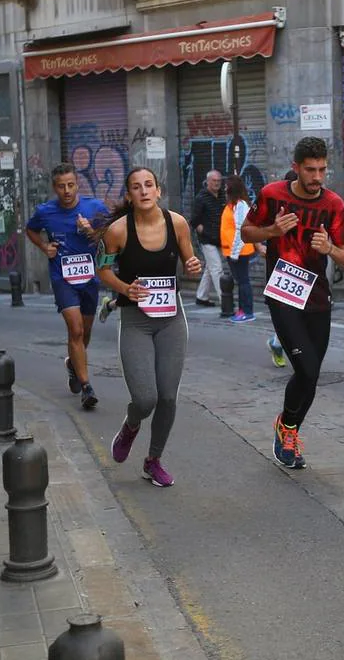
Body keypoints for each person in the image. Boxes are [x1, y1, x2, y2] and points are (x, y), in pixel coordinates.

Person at [242, 137, 344, 469]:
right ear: (296, 168)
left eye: (322, 169)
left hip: (318, 296)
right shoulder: (272, 195)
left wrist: (330, 250)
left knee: (312, 374)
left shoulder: (333, 205)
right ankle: (288, 428)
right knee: (305, 369)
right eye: (310, 170)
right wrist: (272, 230)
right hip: (283, 293)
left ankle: (288, 428)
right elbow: (246, 232)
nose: (317, 176)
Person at [98, 168, 202, 488]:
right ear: (129, 195)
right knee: (145, 399)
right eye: (136, 187)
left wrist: (193, 266)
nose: (143, 191)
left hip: (171, 319)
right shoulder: (117, 231)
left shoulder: (178, 224)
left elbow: (190, 263)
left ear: (158, 191)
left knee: (168, 398)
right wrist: (123, 289)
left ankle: (153, 461)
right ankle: (131, 426)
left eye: (149, 185)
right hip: (135, 321)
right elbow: (102, 270)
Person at [25, 163, 111, 410]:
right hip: (62, 278)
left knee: (85, 332)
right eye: (61, 186)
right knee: (75, 330)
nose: (67, 191)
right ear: (54, 188)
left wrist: (91, 230)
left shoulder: (94, 207)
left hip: (89, 278)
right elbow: (31, 231)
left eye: (71, 185)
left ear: (77, 185)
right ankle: (87, 387)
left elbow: (111, 234)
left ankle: (73, 364)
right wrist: (44, 247)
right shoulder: (45, 211)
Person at [265, 171, 296, 368]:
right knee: (288, 312)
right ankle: (279, 344)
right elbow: (253, 229)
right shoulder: (274, 205)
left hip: (307, 270)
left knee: (299, 313)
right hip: (282, 267)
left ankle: (277, 343)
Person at [222, 175, 257, 324]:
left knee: (243, 281)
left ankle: (247, 311)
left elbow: (239, 230)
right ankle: (243, 310)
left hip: (239, 251)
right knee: (241, 281)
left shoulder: (241, 206)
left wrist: (234, 253)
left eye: (226, 186)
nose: (224, 189)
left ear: (232, 189)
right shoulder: (233, 205)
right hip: (234, 251)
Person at [188, 170, 226, 308]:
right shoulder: (201, 197)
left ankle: (201, 296)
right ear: (208, 181)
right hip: (207, 240)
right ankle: (225, 300)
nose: (217, 184)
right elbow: (194, 220)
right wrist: (204, 232)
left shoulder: (222, 196)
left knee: (211, 268)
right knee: (217, 268)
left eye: (219, 181)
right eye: (214, 181)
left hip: (220, 239)